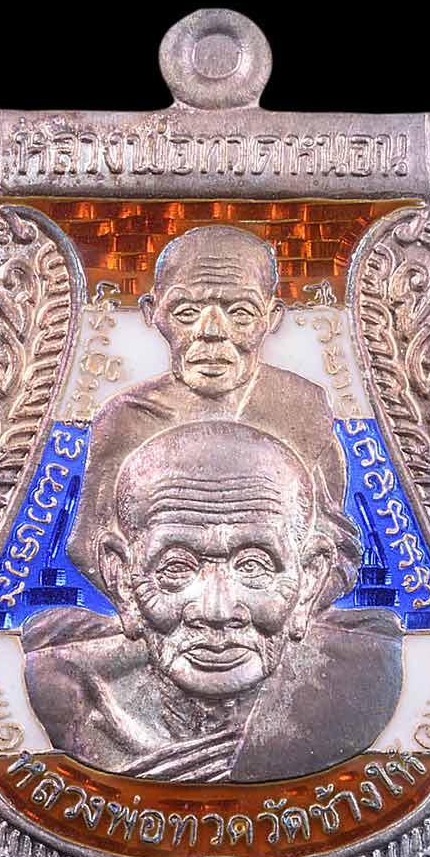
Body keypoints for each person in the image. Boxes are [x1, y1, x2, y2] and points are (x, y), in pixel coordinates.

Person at [23, 421, 403, 781]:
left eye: (253, 566)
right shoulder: (71, 692)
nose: (216, 611)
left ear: (310, 578)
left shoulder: (362, 684)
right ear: (121, 577)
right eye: (176, 567)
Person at [67, 224, 353, 606]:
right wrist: (161, 612)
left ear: (272, 317)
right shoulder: (127, 418)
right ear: (153, 313)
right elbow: (88, 546)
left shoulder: (302, 407)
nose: (212, 331)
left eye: (240, 312)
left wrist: (278, 613)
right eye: (186, 312)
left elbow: (336, 547)